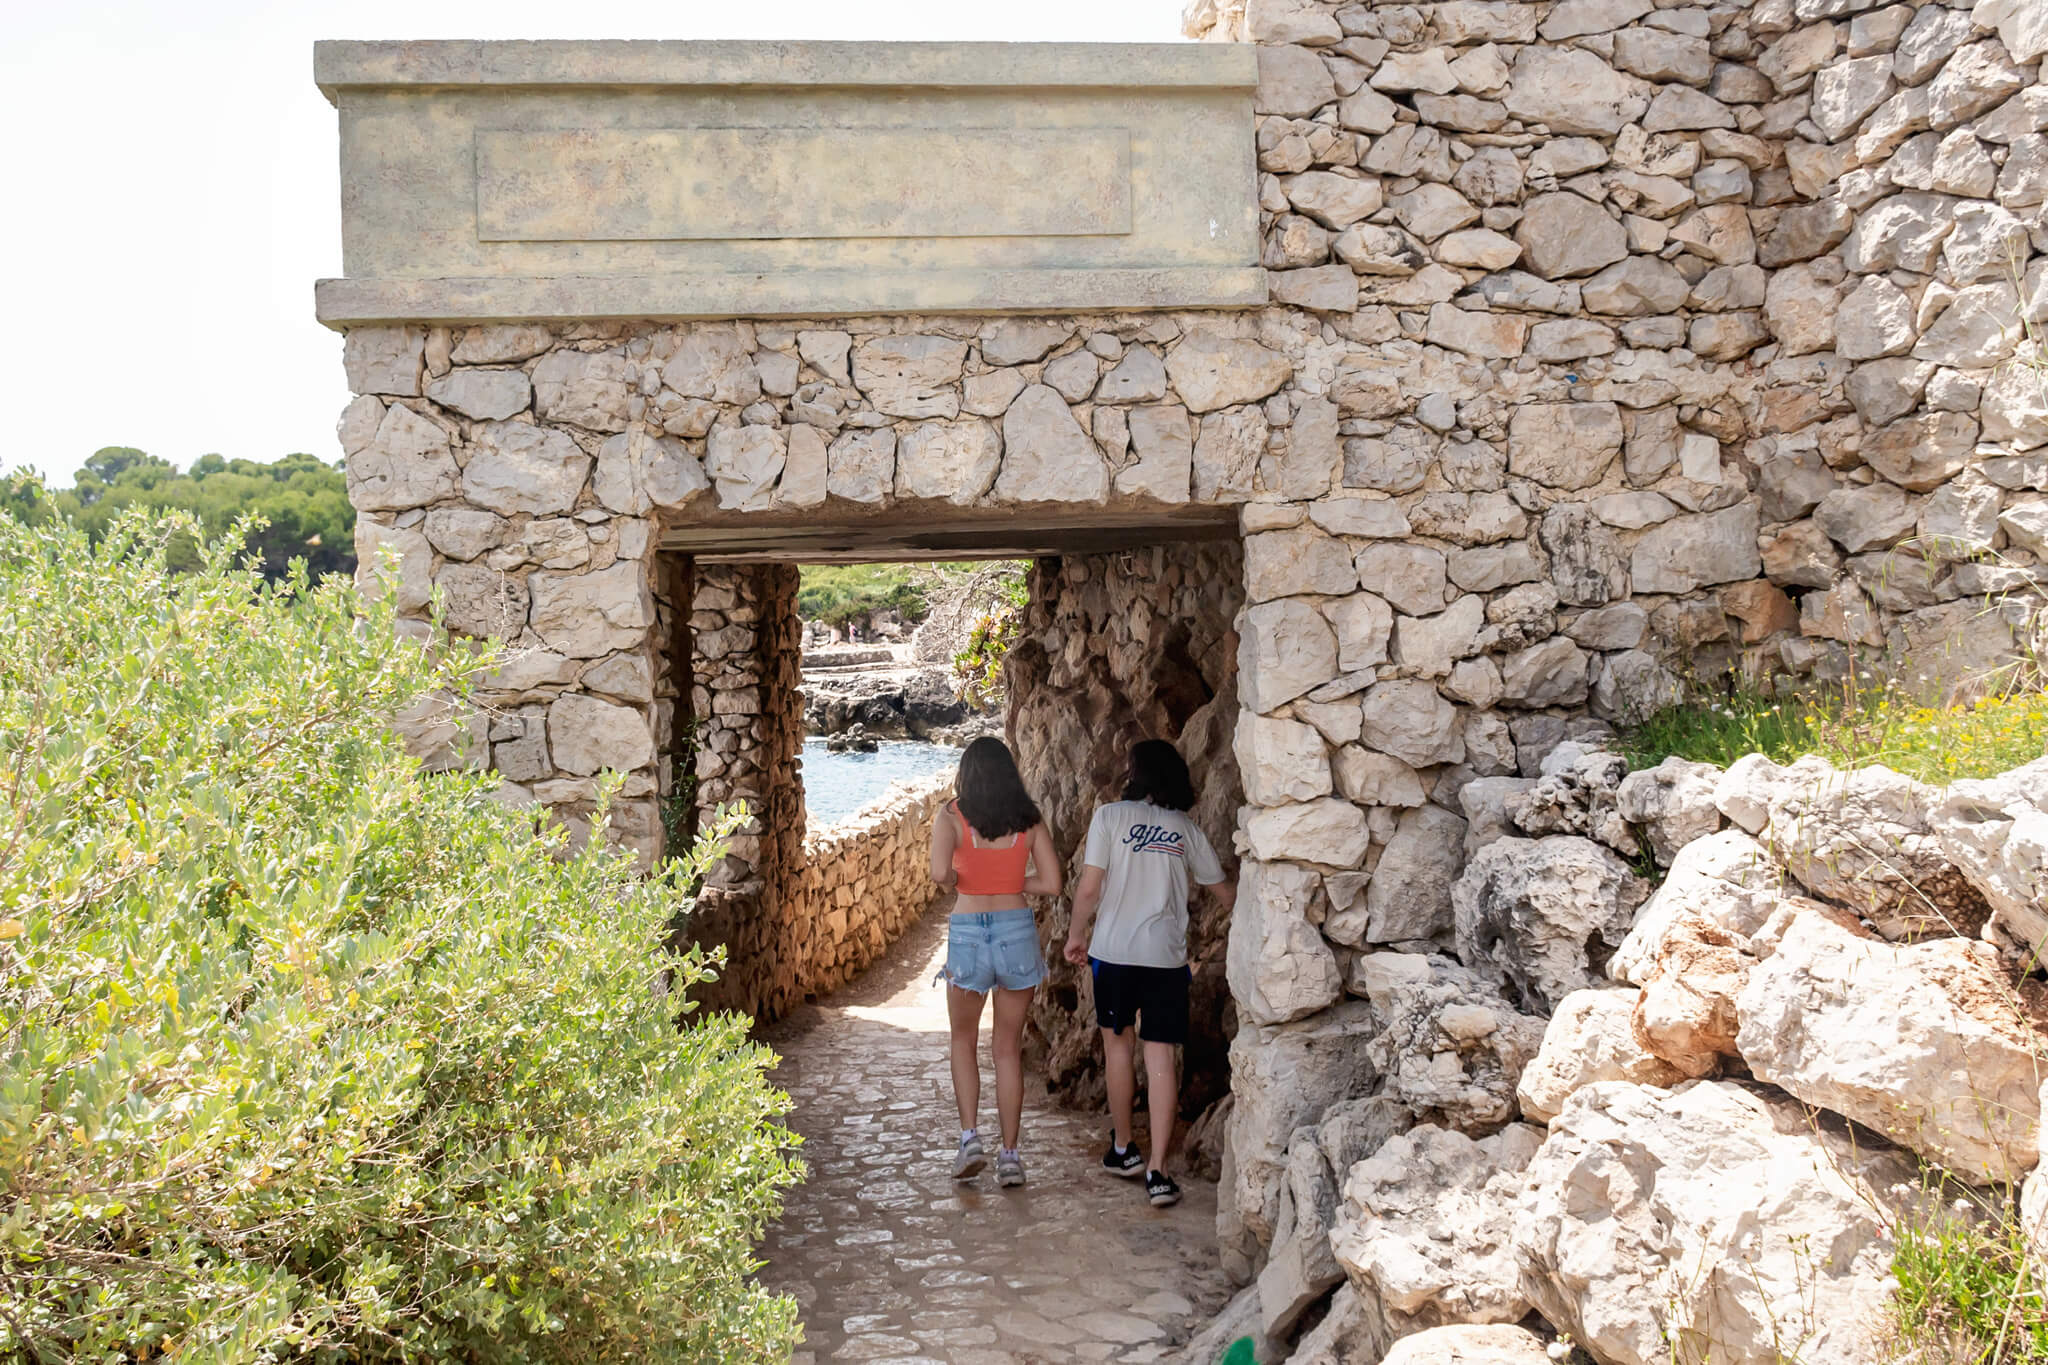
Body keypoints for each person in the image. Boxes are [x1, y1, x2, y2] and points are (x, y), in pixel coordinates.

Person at [1063, 740, 1235, 1208]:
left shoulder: (1110, 817)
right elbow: (1223, 891)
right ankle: (1159, 1171)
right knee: (1160, 1060)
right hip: (1166, 959)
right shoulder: (1185, 828)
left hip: (1114, 954)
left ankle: (1124, 1149)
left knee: (1117, 1050)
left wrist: (1076, 935)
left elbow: (1090, 888)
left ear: (1135, 774)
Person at [930, 736, 1061, 1187]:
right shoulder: (1029, 819)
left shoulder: (951, 816)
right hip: (1016, 929)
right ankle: (1010, 1157)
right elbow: (1053, 882)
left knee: (962, 1041)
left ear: (966, 774)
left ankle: (969, 1139)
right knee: (1007, 1048)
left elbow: (939, 875)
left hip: (968, 932)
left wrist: (962, 876)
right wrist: (1012, 878)